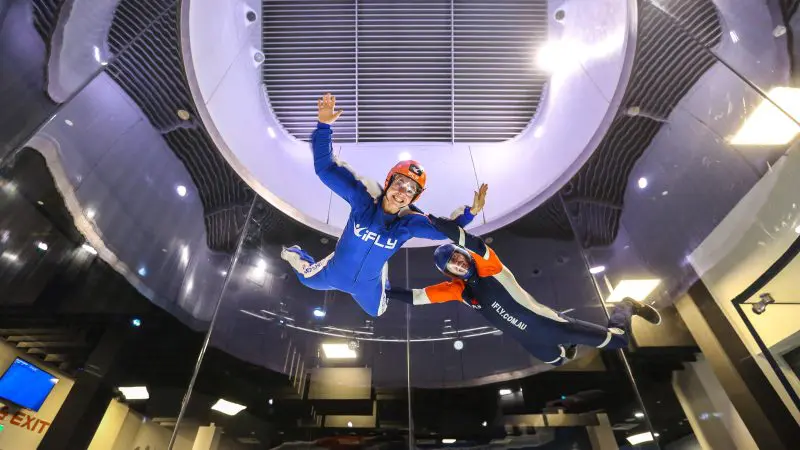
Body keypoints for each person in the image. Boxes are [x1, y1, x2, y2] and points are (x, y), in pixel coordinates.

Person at [281, 93, 489, 317]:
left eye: (410, 190)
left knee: (378, 311)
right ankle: (295, 253)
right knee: (306, 279)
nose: (402, 192)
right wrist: (323, 127)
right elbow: (326, 169)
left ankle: (381, 273)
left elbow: (443, 231)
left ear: (414, 198)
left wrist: (470, 214)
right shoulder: (363, 201)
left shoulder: (408, 224)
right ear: (389, 181)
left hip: (367, 287)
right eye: (399, 183)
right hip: (334, 272)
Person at [386, 215, 661, 366]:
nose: (458, 262)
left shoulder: (489, 267)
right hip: (530, 341)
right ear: (449, 272)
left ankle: (627, 304)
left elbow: (469, 241)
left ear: (464, 255)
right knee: (558, 361)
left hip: (554, 326)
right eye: (451, 264)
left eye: (457, 256)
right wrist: (387, 293)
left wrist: (431, 220)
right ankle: (569, 346)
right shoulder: (459, 290)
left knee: (619, 341)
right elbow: (418, 297)